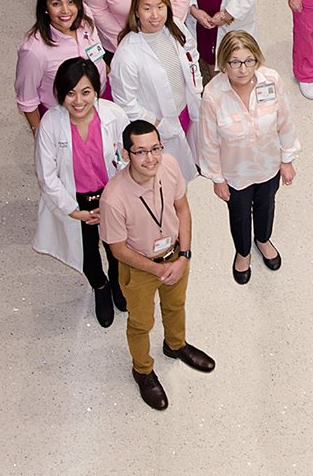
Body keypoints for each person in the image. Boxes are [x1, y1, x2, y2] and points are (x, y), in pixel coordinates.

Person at [100, 119, 215, 411]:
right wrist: (157, 270)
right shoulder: (113, 198)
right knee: (141, 323)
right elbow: (117, 249)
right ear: (126, 155)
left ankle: (175, 345)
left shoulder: (170, 165)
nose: (150, 158)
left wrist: (184, 255)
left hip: (176, 257)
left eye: (155, 149)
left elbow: (183, 208)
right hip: (141, 267)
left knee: (176, 306)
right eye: (140, 152)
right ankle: (142, 369)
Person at [33, 57, 129, 328]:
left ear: (96, 91)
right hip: (76, 203)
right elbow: (47, 176)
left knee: (117, 248)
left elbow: (126, 157)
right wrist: (75, 211)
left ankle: (118, 284)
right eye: (70, 93)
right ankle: (100, 287)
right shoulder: (51, 124)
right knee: (87, 255)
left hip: (111, 197)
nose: (78, 101)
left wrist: (114, 201)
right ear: (60, 94)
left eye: (86, 92)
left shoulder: (113, 115)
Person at [199, 32, 300, 284]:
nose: (243, 69)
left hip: (268, 165)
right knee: (240, 214)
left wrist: (287, 160)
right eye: (235, 62)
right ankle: (243, 252)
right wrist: (217, 178)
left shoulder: (271, 80)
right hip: (235, 172)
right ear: (224, 63)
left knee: (267, 206)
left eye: (249, 61)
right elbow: (208, 140)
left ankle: (263, 239)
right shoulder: (213, 94)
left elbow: (284, 120)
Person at [111, 0, 202, 183]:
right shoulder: (127, 54)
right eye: (147, 8)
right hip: (159, 127)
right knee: (167, 180)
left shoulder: (176, 27)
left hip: (186, 112)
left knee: (188, 169)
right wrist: (158, 124)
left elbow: (192, 56)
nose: (155, 15)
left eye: (160, 7)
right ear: (136, 11)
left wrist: (197, 89)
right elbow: (126, 103)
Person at [16, 0, 107, 134]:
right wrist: (40, 135)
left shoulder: (85, 17)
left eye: (71, 2)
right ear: (45, 7)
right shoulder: (33, 50)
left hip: (101, 99)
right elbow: (27, 100)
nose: (66, 11)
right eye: (56, 4)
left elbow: (97, 54)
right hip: (64, 116)